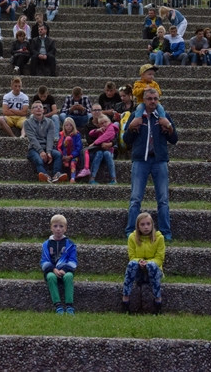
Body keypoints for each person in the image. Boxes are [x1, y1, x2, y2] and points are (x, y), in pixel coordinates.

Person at [124, 88, 177, 240]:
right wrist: (132, 127)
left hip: (159, 161)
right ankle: (131, 231)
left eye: (155, 99)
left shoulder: (163, 116)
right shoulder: (136, 115)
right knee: (135, 199)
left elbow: (174, 139)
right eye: (149, 99)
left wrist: (168, 126)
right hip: (140, 160)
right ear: (144, 100)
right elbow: (126, 140)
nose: (153, 101)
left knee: (163, 199)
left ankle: (165, 232)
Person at [121, 212, 165, 314]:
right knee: (132, 264)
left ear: (152, 225)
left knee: (152, 265)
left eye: (148, 224)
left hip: (154, 271)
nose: (146, 227)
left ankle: (158, 300)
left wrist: (147, 263)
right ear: (138, 226)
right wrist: (139, 261)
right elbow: (132, 257)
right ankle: (125, 299)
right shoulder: (132, 237)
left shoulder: (159, 238)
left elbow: (159, 259)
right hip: (139, 272)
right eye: (142, 224)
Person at [40, 213, 77, 314]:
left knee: (69, 276)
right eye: (55, 226)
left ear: (65, 228)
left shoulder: (70, 244)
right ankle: (58, 305)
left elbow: (73, 261)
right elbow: (44, 261)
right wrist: (53, 269)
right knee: (50, 277)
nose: (58, 229)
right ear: (51, 228)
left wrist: (64, 270)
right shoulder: (46, 244)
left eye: (61, 226)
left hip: (66, 270)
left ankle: (69, 305)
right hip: (52, 271)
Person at [25, 101, 62, 182]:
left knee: (58, 155)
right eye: (36, 107)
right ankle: (45, 176)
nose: (38, 108)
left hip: (48, 147)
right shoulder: (27, 123)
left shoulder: (50, 122)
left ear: (43, 110)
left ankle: (56, 175)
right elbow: (32, 139)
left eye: (40, 107)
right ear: (32, 111)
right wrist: (41, 151)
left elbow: (50, 138)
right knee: (38, 160)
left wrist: (48, 152)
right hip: (34, 148)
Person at [84, 113, 118, 185]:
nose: (104, 124)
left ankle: (113, 178)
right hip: (99, 151)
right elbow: (90, 133)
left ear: (109, 121)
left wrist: (94, 143)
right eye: (101, 123)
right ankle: (92, 178)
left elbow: (105, 137)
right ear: (99, 125)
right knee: (99, 153)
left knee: (107, 153)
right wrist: (97, 130)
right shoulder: (101, 130)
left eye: (105, 122)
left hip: (109, 151)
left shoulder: (111, 128)